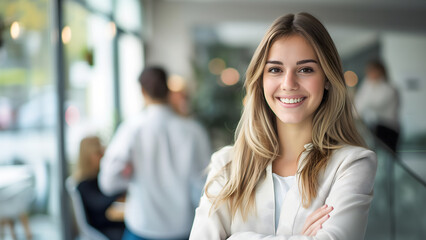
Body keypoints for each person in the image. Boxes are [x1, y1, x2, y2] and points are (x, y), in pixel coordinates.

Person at [190, 12, 377, 240]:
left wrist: (235, 237)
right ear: (261, 79)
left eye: (305, 69)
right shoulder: (227, 164)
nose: (288, 84)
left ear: (327, 78)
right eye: (275, 70)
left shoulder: (352, 164)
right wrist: (301, 236)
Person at [98, 66, 211, 240]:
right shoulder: (194, 131)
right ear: (167, 89)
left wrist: (127, 174)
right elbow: (204, 184)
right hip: (184, 228)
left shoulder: (132, 129)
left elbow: (108, 182)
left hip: (142, 227)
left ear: (142, 91)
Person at [73, 136, 125, 240]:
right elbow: (100, 204)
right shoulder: (83, 184)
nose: (103, 157)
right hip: (101, 230)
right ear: (88, 157)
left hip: (111, 224)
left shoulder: (98, 178)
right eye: (99, 153)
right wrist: (120, 192)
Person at [355, 60, 400, 152]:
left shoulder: (389, 88)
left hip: (388, 128)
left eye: (371, 71)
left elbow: (375, 103)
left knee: (388, 157)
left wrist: (368, 84)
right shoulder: (369, 84)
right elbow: (359, 102)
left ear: (380, 71)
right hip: (375, 128)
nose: (368, 74)